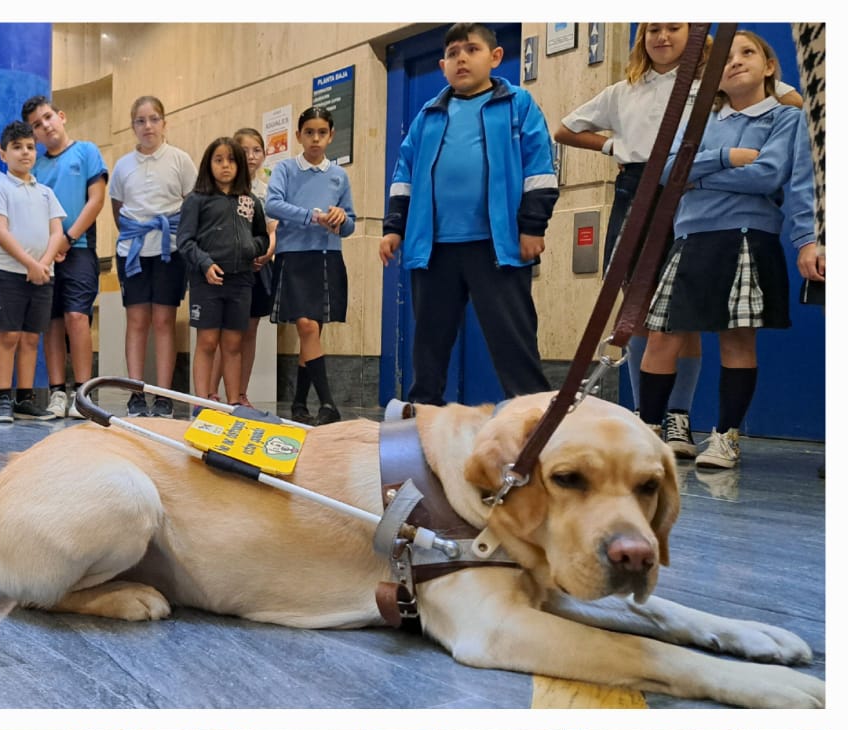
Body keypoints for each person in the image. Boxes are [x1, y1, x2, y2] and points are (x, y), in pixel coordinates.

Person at [555, 23, 803, 450]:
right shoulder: (624, 90)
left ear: (696, 39)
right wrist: (616, 148)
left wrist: (699, 176)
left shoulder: (716, 82)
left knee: (690, 318)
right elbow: (567, 130)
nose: (661, 37)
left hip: (703, 203)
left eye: (673, 28)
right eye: (653, 29)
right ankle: (644, 417)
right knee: (646, 311)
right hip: (644, 187)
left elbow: (791, 103)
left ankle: (679, 417)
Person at [637, 30, 820, 473]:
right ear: (710, 78)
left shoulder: (786, 118)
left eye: (747, 53)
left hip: (746, 235)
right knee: (663, 336)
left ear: (769, 65)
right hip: (690, 238)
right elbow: (664, 169)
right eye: (723, 58)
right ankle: (646, 434)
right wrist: (728, 156)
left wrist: (696, 173)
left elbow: (769, 176)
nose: (735, 62)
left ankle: (725, 436)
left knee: (737, 338)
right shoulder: (696, 120)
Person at [380, 23, 557, 406]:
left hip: (498, 247)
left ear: (495, 57)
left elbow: (540, 168)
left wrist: (532, 226)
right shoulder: (427, 116)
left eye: (472, 50)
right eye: (454, 52)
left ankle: (534, 424)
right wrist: (394, 227)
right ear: (443, 64)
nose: (462, 58)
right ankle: (422, 420)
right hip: (434, 250)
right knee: (428, 347)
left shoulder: (518, 105)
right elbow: (403, 176)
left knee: (514, 343)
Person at [265, 105, 356, 424]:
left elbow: (351, 222)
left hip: (326, 257)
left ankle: (300, 404)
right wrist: (311, 217)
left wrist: (340, 219)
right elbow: (272, 204)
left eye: (322, 133)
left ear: (331, 135)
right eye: (309, 132)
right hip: (294, 256)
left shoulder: (338, 175)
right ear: (298, 136)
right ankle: (329, 405)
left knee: (312, 332)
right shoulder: (285, 170)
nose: (315, 139)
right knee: (306, 326)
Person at [109, 94, 197, 417]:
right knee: (137, 320)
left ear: (164, 122)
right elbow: (117, 209)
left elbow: (191, 203)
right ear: (133, 126)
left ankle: (163, 395)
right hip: (133, 251)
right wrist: (138, 232)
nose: (148, 126)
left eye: (154, 119)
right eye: (140, 121)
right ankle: (135, 393)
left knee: (163, 320)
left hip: (169, 251)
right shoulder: (123, 166)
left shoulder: (180, 160)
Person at [24, 95, 108, 418]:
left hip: (79, 250)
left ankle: (84, 393)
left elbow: (96, 200)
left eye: (48, 118)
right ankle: (58, 393)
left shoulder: (87, 151)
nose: (45, 126)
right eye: (37, 125)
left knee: (77, 317)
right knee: (52, 322)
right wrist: (48, 250)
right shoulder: (37, 166)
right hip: (46, 256)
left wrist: (68, 239)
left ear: (61, 116)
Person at [0, 119, 65, 424]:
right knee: (8, 336)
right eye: (17, 147)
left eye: (30, 147)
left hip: (43, 275)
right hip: (10, 274)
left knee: (31, 339)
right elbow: (0, 232)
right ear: (3, 154)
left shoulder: (45, 192)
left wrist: (42, 264)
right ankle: (3, 397)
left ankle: (25, 398)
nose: (25, 153)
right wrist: (29, 264)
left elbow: (57, 231)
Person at [177, 135, 268, 408]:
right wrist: (204, 263)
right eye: (218, 160)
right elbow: (185, 241)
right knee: (206, 341)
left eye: (231, 160)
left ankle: (232, 404)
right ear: (209, 164)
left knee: (233, 344)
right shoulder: (197, 200)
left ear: (240, 165)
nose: (225, 166)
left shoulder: (251, 201)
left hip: (241, 281)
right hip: (208, 282)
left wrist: (252, 248)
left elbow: (262, 237)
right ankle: (202, 402)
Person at [215, 125, 277, 405]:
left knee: (249, 331)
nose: (251, 156)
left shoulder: (268, 191)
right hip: (230, 269)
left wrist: (266, 253)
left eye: (257, 150)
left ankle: (240, 394)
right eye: (244, 150)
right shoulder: (224, 189)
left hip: (259, 268)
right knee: (224, 334)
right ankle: (210, 394)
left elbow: (273, 230)